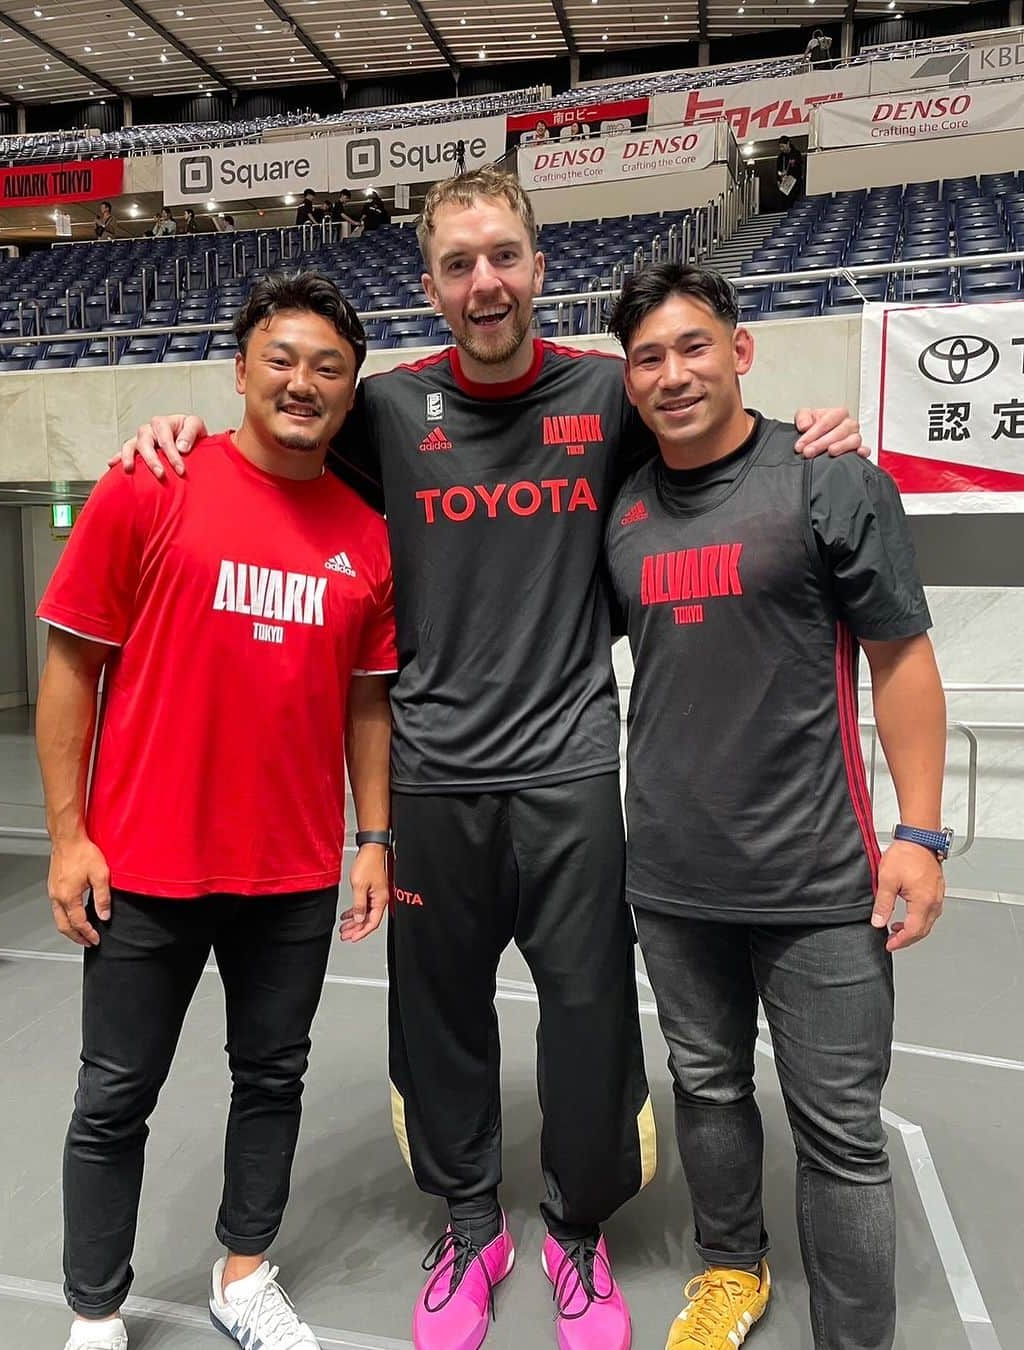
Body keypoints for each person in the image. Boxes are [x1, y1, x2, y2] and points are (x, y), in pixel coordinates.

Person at [116, 168, 863, 1350]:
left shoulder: (610, 397)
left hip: (569, 771)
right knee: (442, 1024)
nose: (484, 282)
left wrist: (814, 431)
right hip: (429, 778)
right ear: (429, 285)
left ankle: (574, 1232)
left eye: (503, 255)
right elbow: (275, 438)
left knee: (588, 1021)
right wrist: (178, 436)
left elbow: (715, 423)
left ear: (538, 263)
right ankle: (472, 1226)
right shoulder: (387, 411)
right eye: (459, 263)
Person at [37, 271, 397, 1350]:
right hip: (141, 866)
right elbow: (70, 665)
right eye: (281, 360)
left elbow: (368, 705)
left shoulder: (366, 539)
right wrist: (67, 836)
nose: (302, 383)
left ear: (350, 392)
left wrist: (372, 836)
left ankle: (244, 1277)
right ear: (240, 372)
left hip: (289, 873)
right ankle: (94, 1313)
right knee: (113, 1101)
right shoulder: (151, 485)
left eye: (328, 369)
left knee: (270, 1080)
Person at [605, 264, 947, 1350]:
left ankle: (855, 1337)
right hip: (669, 878)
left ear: (741, 351)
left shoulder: (829, 478)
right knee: (704, 1091)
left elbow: (900, 656)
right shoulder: (620, 514)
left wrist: (921, 833)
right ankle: (730, 1269)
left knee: (839, 1132)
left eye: (694, 346)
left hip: (818, 880)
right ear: (628, 379)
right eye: (649, 357)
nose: (674, 372)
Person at [776, 136, 804, 202]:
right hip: (784, 185)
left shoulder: (796, 154)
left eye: (783, 146)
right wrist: (778, 179)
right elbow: (777, 170)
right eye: (780, 147)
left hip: (795, 184)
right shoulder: (780, 157)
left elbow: (800, 168)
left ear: (788, 144)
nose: (781, 149)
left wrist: (789, 173)